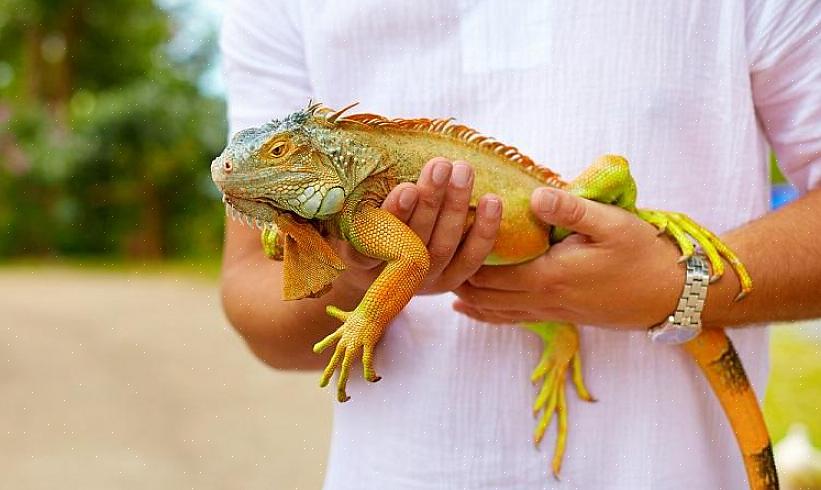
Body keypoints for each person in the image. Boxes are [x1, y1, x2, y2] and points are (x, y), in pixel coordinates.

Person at [218, 1, 821, 488]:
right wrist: (353, 274)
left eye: (276, 157)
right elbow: (255, 301)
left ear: (319, 156)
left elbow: (405, 255)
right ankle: (558, 339)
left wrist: (674, 283)